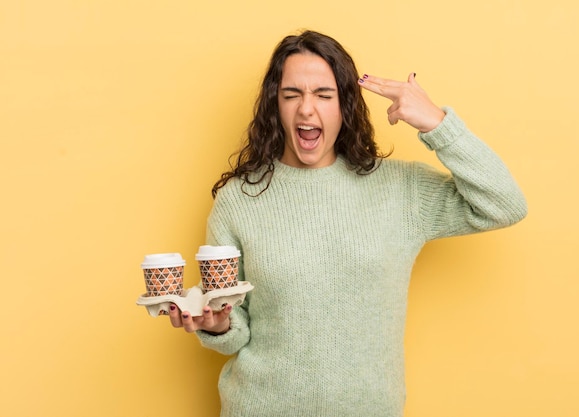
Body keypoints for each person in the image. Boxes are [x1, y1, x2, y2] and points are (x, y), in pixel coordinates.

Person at [168, 30, 527, 417]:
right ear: (275, 105)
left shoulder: (400, 190)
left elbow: (504, 204)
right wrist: (218, 325)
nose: (307, 110)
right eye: (292, 95)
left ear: (346, 106)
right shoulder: (239, 200)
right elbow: (234, 329)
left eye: (324, 95)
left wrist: (437, 124)